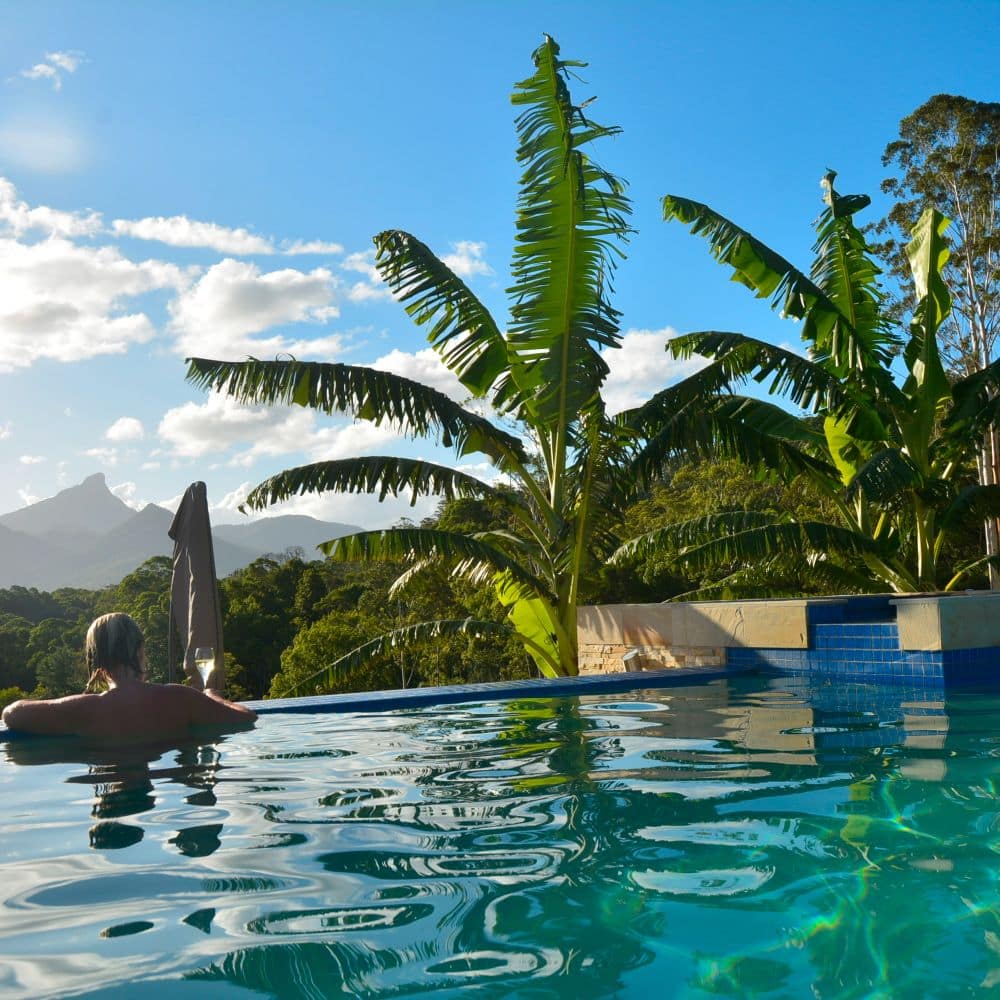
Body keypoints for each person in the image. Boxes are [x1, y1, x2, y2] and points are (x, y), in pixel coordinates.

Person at [1, 612, 256, 741]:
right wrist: (212, 696)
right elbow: (246, 718)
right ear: (140, 650)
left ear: (97, 661)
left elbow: (12, 714)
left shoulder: (84, 709)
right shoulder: (181, 698)